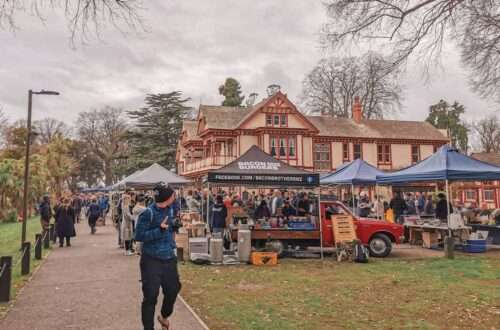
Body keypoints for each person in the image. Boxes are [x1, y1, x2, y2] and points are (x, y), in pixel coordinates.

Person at [135, 183, 181, 330]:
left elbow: (169, 228)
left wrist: (174, 225)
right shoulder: (147, 213)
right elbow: (139, 236)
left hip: (169, 258)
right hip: (151, 260)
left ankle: (164, 316)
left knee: (174, 289)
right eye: (173, 194)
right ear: (167, 197)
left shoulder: (171, 209)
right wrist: (159, 231)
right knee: (150, 296)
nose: (175, 196)